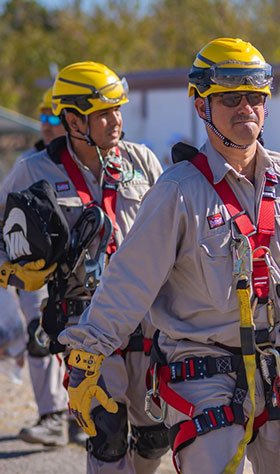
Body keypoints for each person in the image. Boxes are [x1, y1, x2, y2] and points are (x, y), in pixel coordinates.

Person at [58, 37, 280, 474]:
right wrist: (88, 356)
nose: (245, 108)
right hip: (203, 376)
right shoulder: (177, 191)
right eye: (230, 98)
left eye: (255, 97)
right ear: (201, 106)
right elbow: (128, 282)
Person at [0, 62, 166, 472]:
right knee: (107, 434)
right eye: (104, 113)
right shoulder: (33, 171)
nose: (116, 120)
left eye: (118, 110)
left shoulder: (143, 161)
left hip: (146, 323)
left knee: (155, 437)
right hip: (84, 327)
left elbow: (173, 233)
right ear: (73, 120)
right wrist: (17, 273)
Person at [6, 87, 72, 447]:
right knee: (39, 336)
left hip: (82, 274)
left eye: (53, 117)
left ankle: (81, 416)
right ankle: (52, 416)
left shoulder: (90, 164)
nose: (46, 124)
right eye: (42, 116)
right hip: (36, 273)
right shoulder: (28, 164)